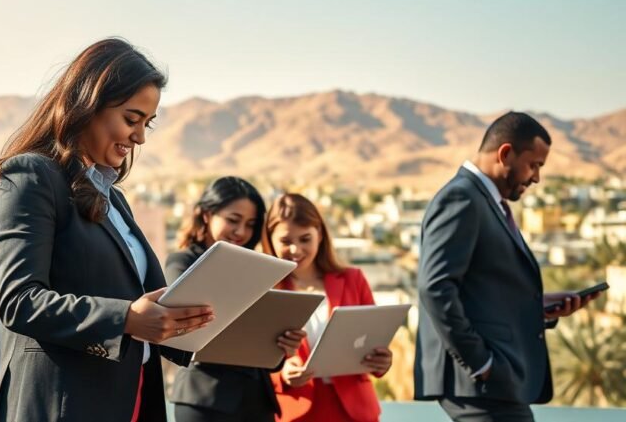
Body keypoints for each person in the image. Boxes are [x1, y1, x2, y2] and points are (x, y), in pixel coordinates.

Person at [0, 38, 213, 422]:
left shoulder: (114, 200)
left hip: (130, 398)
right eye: (131, 119)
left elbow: (149, 301)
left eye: (147, 124)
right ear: (87, 105)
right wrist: (126, 319)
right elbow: (20, 301)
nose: (140, 137)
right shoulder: (28, 177)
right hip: (62, 404)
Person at [415, 112, 601, 421]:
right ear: (505, 153)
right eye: (534, 165)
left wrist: (537, 307)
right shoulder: (462, 198)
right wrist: (481, 364)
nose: (537, 178)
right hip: (477, 384)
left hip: (493, 384)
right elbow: (435, 288)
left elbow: (480, 291)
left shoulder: (485, 203)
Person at [166, 176, 306, 422]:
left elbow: (261, 345)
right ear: (207, 215)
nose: (241, 232)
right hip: (205, 400)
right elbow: (180, 329)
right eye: (233, 220)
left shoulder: (256, 267)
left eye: (251, 224)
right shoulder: (182, 262)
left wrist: (282, 345)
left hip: (258, 401)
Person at [263, 194, 392, 422]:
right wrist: (283, 373)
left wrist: (382, 361)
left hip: (354, 410)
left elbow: (372, 342)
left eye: (305, 239)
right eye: (285, 241)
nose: (296, 249)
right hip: (296, 410)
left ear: (320, 235)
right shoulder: (264, 291)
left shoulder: (354, 279)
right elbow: (252, 360)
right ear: (270, 239)